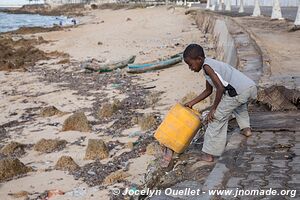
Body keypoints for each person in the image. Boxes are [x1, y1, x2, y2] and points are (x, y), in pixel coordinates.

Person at [183, 44, 257, 162]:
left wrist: (214, 109)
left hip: (238, 92)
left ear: (199, 59)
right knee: (239, 107)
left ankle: (208, 154)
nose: (190, 68)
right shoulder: (209, 65)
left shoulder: (207, 67)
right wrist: (192, 103)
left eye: (190, 64)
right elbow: (208, 90)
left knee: (216, 119)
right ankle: (246, 129)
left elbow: (220, 88)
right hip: (248, 87)